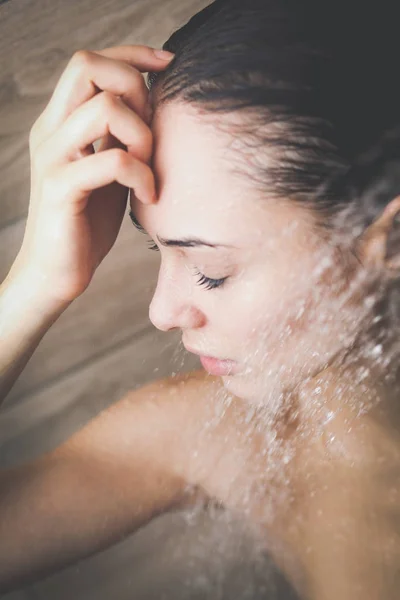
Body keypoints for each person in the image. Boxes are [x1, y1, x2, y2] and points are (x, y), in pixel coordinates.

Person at [1, 0, 400, 597]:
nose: (162, 313)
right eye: (158, 249)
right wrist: (34, 287)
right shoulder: (221, 436)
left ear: (390, 239)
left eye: (212, 271)